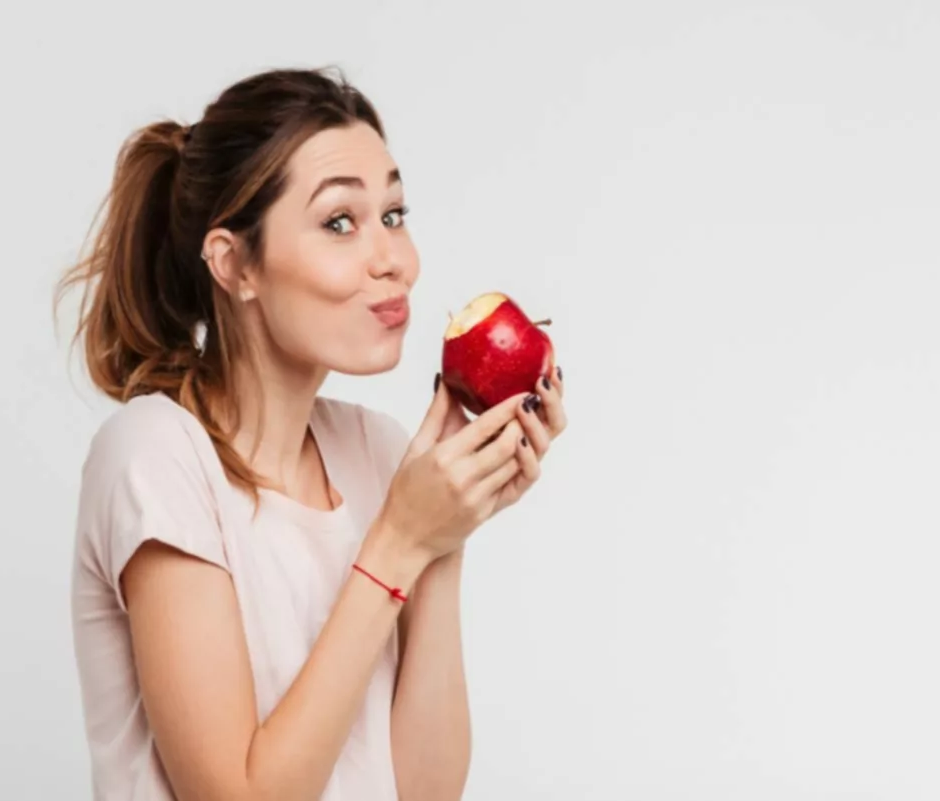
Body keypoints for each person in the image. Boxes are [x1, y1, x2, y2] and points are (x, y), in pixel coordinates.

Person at [58, 67, 567, 801]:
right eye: (340, 222)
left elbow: (423, 790)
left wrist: (447, 533)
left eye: (393, 213)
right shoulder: (156, 456)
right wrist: (398, 541)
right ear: (234, 263)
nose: (395, 259)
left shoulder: (378, 453)